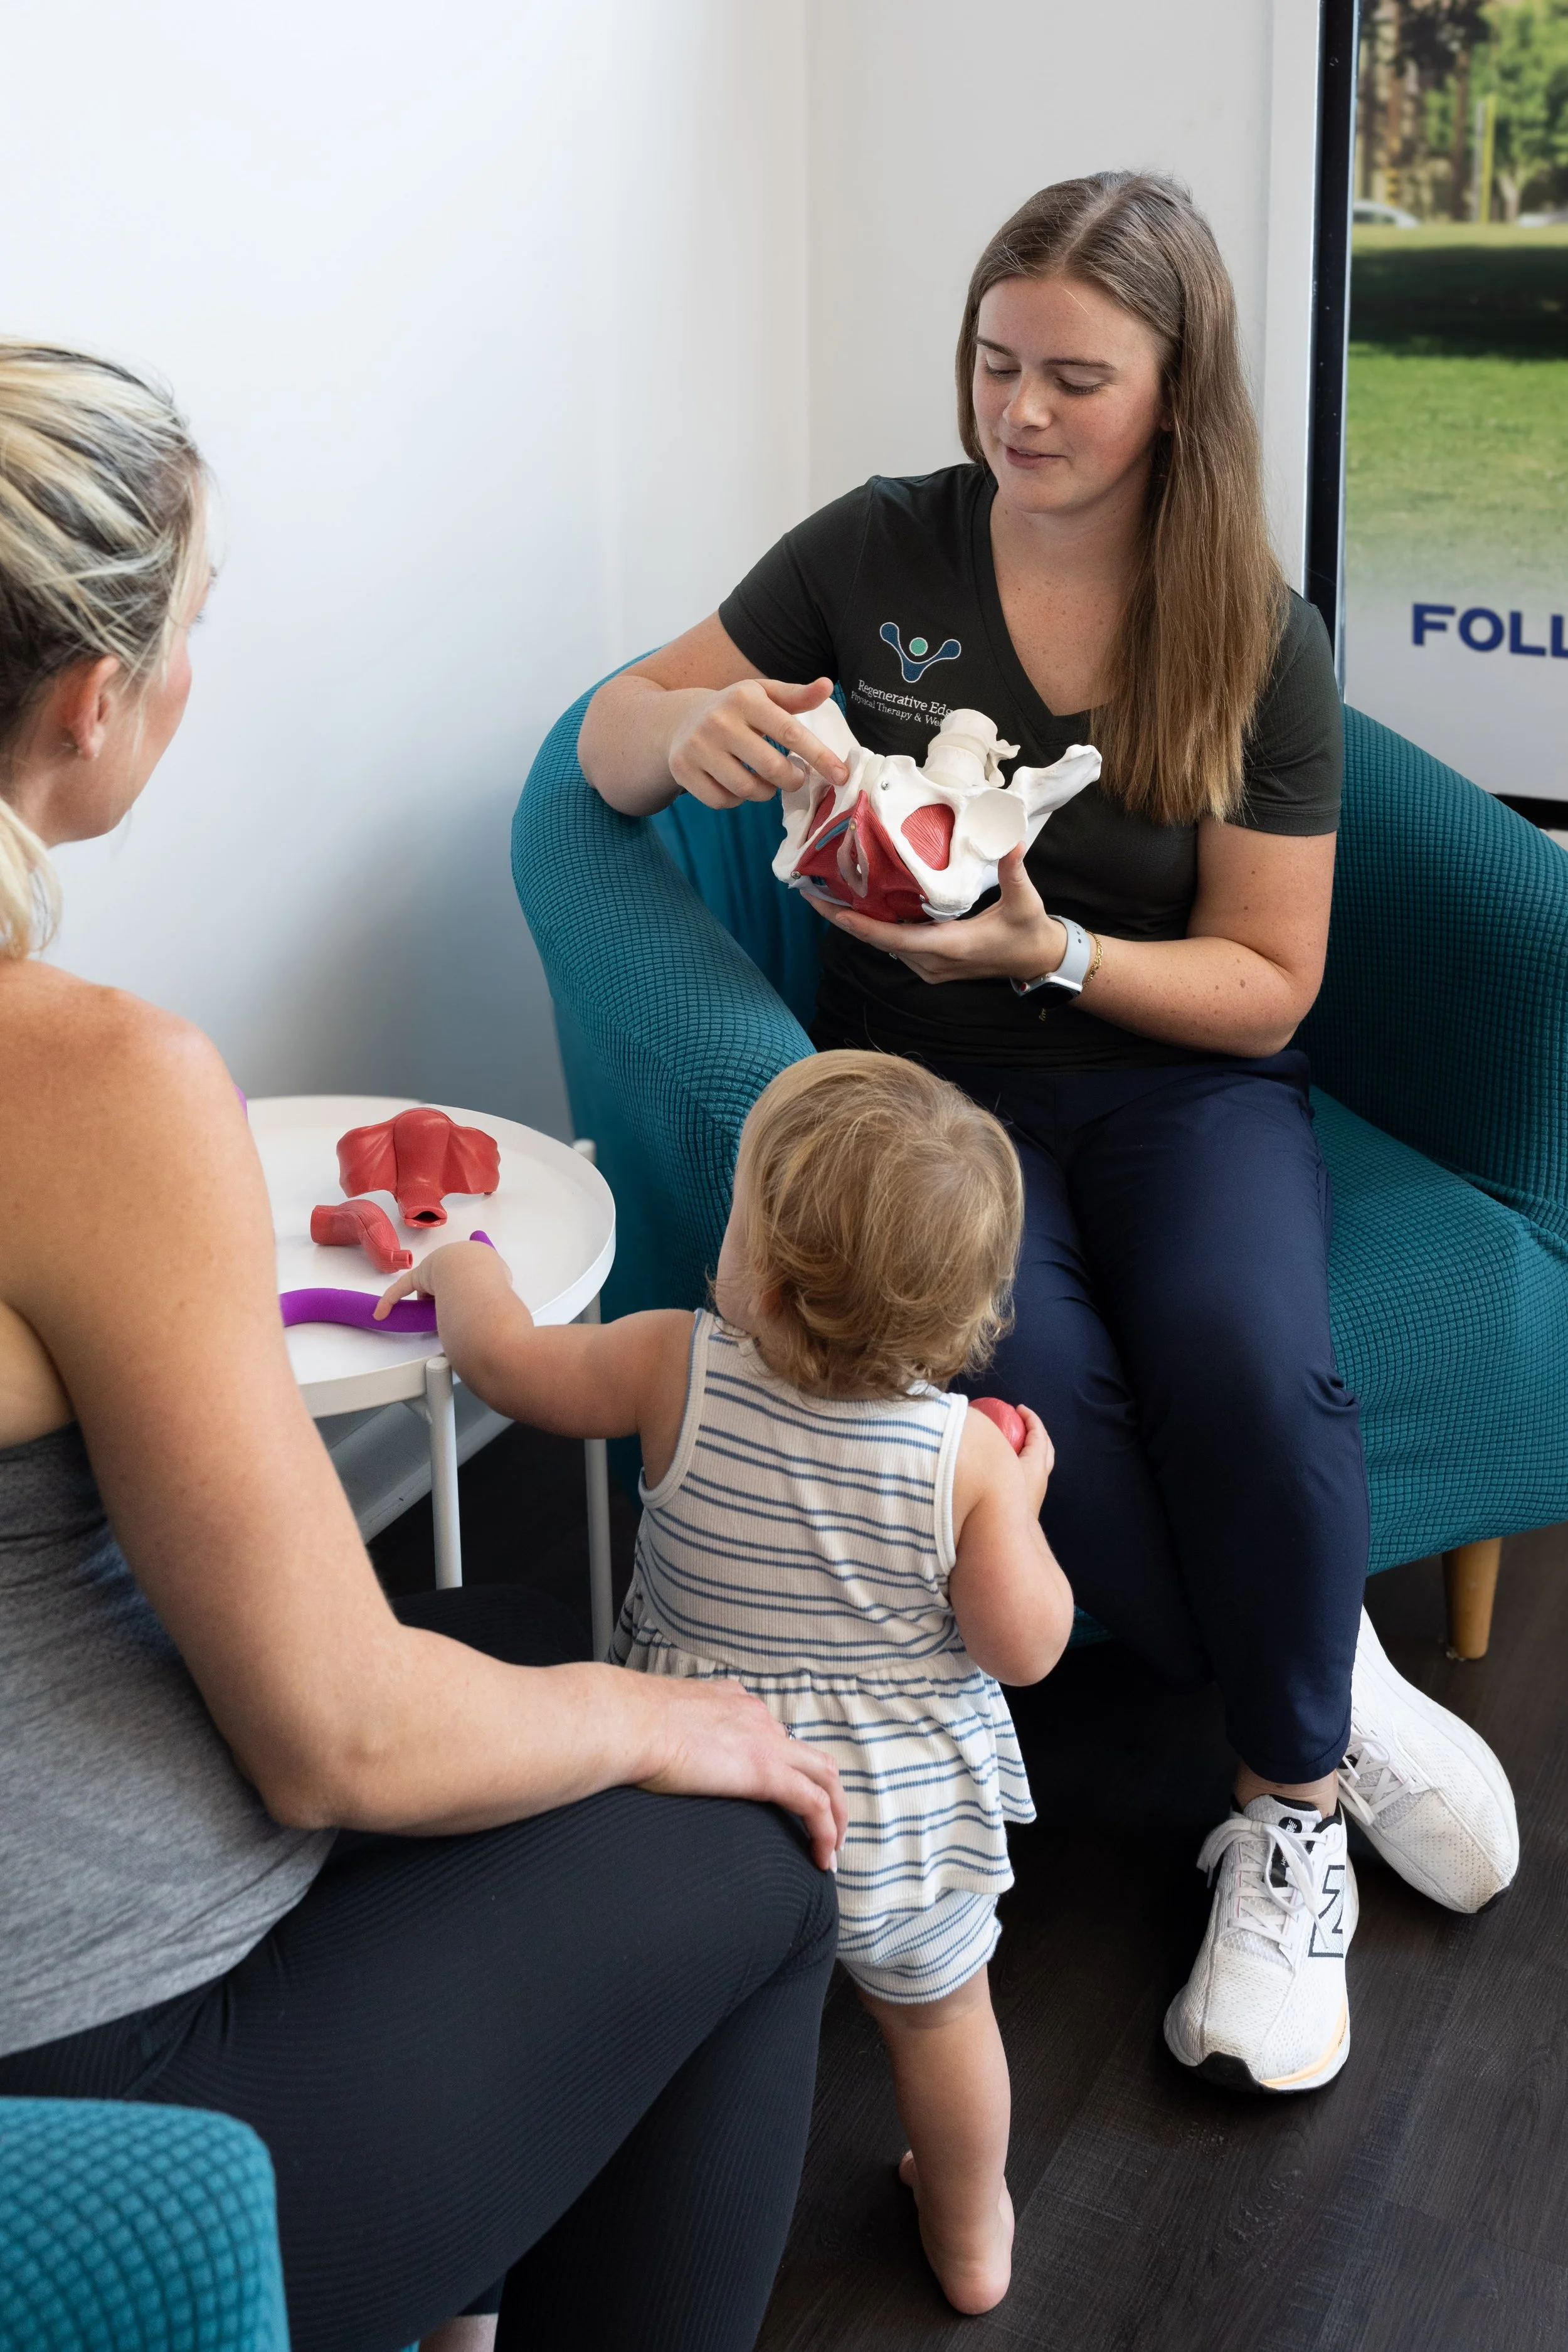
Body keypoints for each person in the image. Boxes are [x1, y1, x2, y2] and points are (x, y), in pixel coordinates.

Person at [576, 172, 1520, 2096]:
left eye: (1072, 378)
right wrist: (679, 737)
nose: (1018, 411)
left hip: (1177, 1073)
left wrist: (1053, 946)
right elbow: (604, 725)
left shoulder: (1249, 630)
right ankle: (1322, 1694)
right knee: (1045, 1423)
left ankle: (1286, 1813)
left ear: (1174, 395)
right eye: (994, 363)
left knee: (1250, 1368)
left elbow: (1267, 980)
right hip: (923, 1099)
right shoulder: (878, 549)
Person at [0, 341, 849, 2352]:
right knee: (750, 1848)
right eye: (195, 631)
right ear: (88, 700)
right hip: (107, 2115)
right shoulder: (92, 1088)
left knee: (509, 1654)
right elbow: (337, 1734)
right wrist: (685, 1722)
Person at [376, 1051, 1076, 2313]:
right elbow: (1025, 1648)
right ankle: (970, 2236)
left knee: (686, 2038)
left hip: (701, 1803)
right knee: (939, 2019)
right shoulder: (960, 1459)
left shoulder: (669, 1365)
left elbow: (509, 1369)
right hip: (895, 1825)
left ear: (756, 1265)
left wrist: (462, 1272)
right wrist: (1018, 1502)